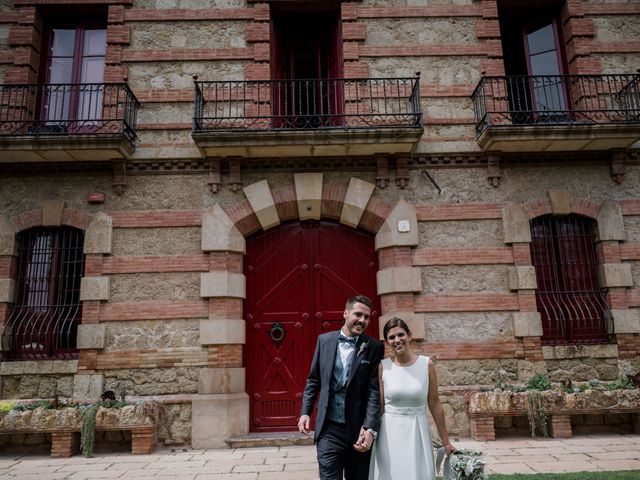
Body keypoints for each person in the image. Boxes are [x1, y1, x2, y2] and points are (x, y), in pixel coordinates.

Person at [298, 295, 385, 480]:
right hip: (329, 429)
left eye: (367, 317)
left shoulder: (374, 347)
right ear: (345, 313)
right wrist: (305, 412)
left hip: (358, 430)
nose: (362, 320)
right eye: (358, 314)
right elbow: (314, 380)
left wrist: (369, 428)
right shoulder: (324, 341)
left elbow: (374, 391)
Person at [369, 317, 456, 480]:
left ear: (409, 335)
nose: (397, 340)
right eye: (391, 337)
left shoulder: (426, 364)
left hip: (418, 431)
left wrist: (446, 441)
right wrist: (369, 433)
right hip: (389, 434)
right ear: (387, 342)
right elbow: (378, 406)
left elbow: (435, 403)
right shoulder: (383, 366)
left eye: (400, 335)